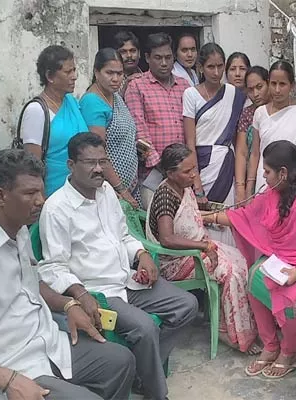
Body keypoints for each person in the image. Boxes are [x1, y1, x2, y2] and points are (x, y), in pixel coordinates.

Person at [0, 149, 135, 400]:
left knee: (120, 360)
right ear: (0, 196)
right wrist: (8, 380)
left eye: (41, 191)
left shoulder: (18, 229)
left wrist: (69, 304)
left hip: (44, 344)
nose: (41, 200)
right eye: (30, 193)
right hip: (5, 367)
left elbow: (32, 283)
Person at [38, 133, 198, 400]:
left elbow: (123, 236)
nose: (98, 168)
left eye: (103, 161)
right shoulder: (57, 209)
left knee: (186, 305)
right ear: (71, 165)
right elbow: (53, 267)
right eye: (90, 162)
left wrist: (142, 255)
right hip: (98, 291)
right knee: (145, 328)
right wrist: (79, 294)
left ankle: (143, 372)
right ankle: (156, 392)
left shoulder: (107, 194)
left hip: (127, 279)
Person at [203, 140, 296, 378]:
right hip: (290, 261)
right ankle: (271, 345)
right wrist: (206, 216)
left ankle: (290, 351)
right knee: (254, 277)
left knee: (288, 292)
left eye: (267, 172)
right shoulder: (277, 191)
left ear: (283, 172)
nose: (264, 177)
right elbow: (244, 215)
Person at [145, 143, 258, 354]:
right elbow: (167, 239)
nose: (193, 175)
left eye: (194, 168)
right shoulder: (165, 196)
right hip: (176, 261)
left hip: (195, 251)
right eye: (187, 171)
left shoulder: (182, 188)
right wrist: (204, 245)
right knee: (231, 273)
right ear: (170, 173)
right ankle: (229, 332)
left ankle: (233, 323)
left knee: (241, 260)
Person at [183, 43, 246, 246]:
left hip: (227, 164)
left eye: (220, 66)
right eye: (211, 67)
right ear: (201, 67)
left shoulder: (235, 95)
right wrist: (197, 183)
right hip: (201, 164)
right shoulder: (190, 95)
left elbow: (241, 139)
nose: (217, 72)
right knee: (201, 217)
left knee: (225, 219)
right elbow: (190, 142)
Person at [125, 33, 190, 208]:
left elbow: (191, 127)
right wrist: (161, 164)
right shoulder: (137, 86)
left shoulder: (185, 86)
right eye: (158, 58)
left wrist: (184, 167)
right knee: (155, 226)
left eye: (168, 58)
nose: (164, 63)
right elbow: (139, 132)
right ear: (147, 58)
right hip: (152, 173)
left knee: (184, 224)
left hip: (183, 172)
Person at [20, 45, 88, 197]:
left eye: (74, 70)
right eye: (68, 72)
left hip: (81, 191)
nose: (74, 76)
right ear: (50, 76)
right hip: (52, 194)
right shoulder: (36, 111)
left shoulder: (72, 102)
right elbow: (32, 165)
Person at [80, 48, 140, 209]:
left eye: (120, 74)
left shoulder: (115, 97)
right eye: (109, 73)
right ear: (96, 72)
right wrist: (120, 189)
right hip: (109, 188)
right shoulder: (93, 103)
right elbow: (98, 152)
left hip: (127, 184)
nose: (115, 79)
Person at [247, 61, 296, 194]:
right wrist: (249, 187)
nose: (277, 90)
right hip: (263, 180)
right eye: (273, 84)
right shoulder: (260, 113)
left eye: (282, 84)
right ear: (268, 83)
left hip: (291, 184)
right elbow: (255, 154)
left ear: (292, 85)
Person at [234, 66, 270, 204]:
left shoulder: (283, 111)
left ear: (268, 83)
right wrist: (241, 188)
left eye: (259, 87)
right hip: (253, 178)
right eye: (250, 89)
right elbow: (242, 152)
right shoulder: (247, 114)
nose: (255, 93)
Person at [113, 30, 143, 97]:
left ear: (139, 53)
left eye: (133, 51)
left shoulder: (146, 78)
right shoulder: (111, 80)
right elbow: (110, 105)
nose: (129, 55)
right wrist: (125, 85)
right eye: (123, 52)